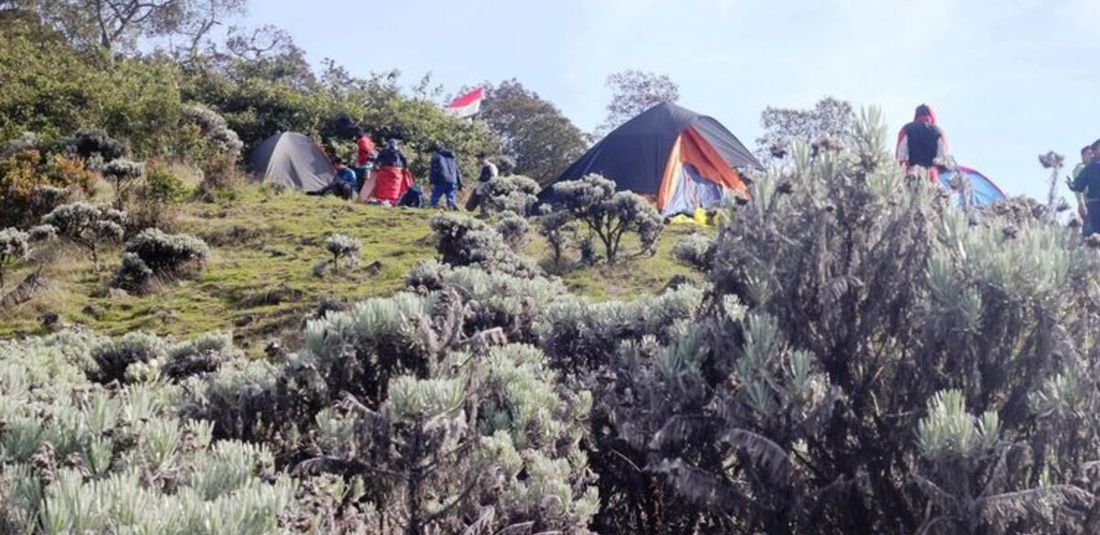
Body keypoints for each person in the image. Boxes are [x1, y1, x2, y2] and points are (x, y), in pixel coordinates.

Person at [897, 104, 948, 182]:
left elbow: (900, 155)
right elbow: (942, 158)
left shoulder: (907, 129)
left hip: (910, 174)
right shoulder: (938, 132)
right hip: (931, 178)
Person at [366, 139, 412, 206]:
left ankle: (386, 200)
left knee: (387, 188)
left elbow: (377, 160)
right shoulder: (397, 152)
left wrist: (376, 166)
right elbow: (404, 160)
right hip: (392, 172)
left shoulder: (386, 151)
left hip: (390, 171)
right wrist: (405, 168)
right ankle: (391, 200)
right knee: (392, 188)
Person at [1070, 139, 1100, 236]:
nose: (1091, 155)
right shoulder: (1085, 168)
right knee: (1091, 233)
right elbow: (1078, 186)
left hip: (1092, 205)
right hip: (1093, 205)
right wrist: (1081, 203)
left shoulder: (1090, 168)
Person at [429, 142, 462, 210]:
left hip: (441, 180)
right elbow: (457, 171)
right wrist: (460, 183)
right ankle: (451, 210)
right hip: (453, 180)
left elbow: (434, 171)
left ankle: (439, 209)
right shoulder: (451, 158)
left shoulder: (436, 157)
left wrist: (432, 182)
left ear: (434, 151)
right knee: (450, 198)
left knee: (434, 199)